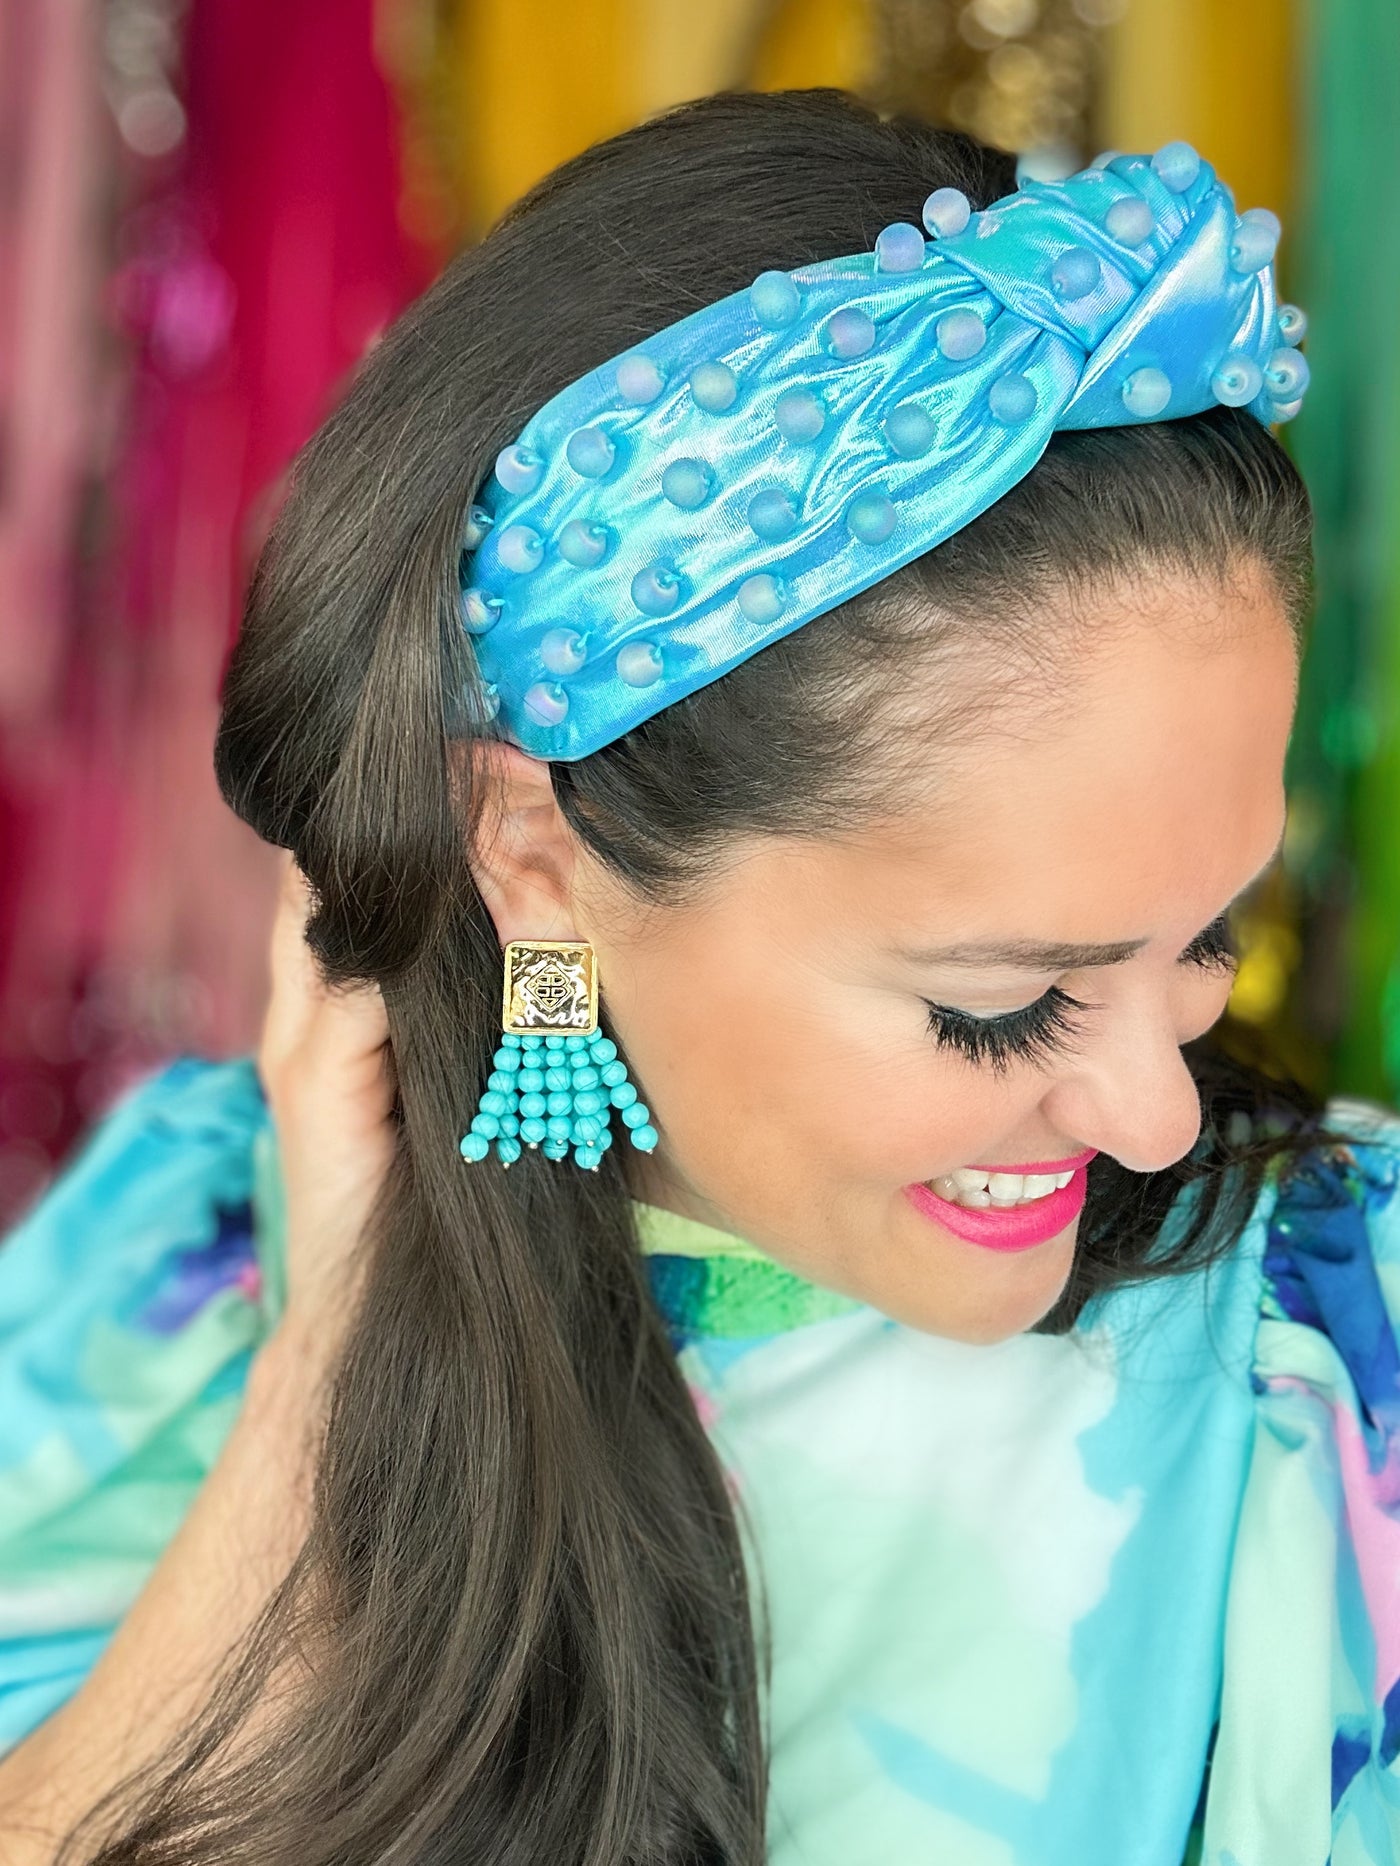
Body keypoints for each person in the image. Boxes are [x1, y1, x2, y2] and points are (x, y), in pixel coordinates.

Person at [0, 85, 1396, 1866]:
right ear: (535, 864)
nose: (1156, 1110)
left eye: (1208, 937)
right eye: (1001, 1003)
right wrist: (330, 1380)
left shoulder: (1347, 1338)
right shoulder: (173, 1287)